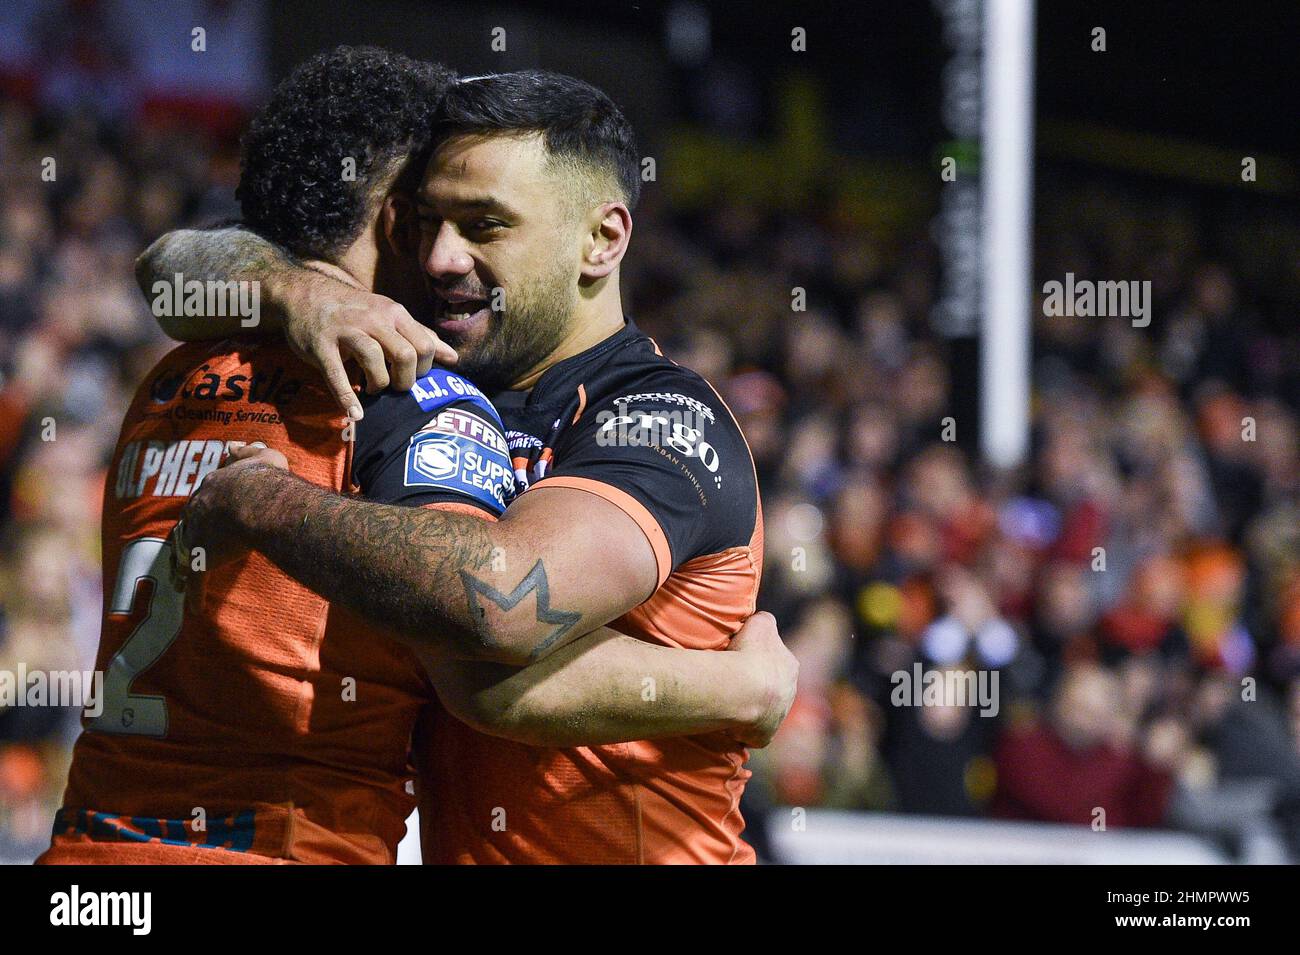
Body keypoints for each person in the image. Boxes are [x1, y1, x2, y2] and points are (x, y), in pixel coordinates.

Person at [42, 49, 795, 866]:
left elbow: (495, 626)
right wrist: (301, 293)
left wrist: (259, 501)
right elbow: (168, 266)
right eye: (425, 221)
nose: (441, 256)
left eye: (484, 225)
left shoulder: (656, 418)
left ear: (602, 240)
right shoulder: (398, 369)